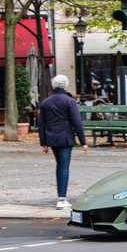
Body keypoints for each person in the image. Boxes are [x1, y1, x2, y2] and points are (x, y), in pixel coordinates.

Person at [38, 75, 89, 210]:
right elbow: (77, 123)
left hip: (52, 138)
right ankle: (61, 199)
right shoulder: (70, 101)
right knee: (64, 166)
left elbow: (41, 124)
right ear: (66, 86)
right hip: (66, 137)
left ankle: (61, 198)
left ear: (53, 86)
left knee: (60, 165)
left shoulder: (45, 102)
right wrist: (83, 141)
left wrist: (43, 143)